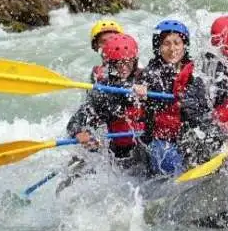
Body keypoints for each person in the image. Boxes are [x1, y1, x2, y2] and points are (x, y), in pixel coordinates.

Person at [134, 20, 219, 175]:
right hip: (161, 140)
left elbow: (204, 107)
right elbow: (143, 89)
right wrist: (141, 92)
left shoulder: (196, 72)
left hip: (189, 135)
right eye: (166, 44)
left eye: (177, 43)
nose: (172, 49)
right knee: (167, 161)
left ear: (184, 46)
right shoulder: (150, 74)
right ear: (158, 47)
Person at [65, 33, 147, 172]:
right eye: (118, 64)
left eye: (128, 63)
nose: (124, 68)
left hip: (146, 146)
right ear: (109, 64)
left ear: (135, 61)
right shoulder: (101, 92)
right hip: (119, 153)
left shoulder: (148, 79)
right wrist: (79, 133)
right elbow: (74, 122)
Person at [88, 20, 124, 84]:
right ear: (96, 46)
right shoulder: (97, 73)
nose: (109, 45)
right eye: (104, 41)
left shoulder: (134, 67)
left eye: (113, 39)